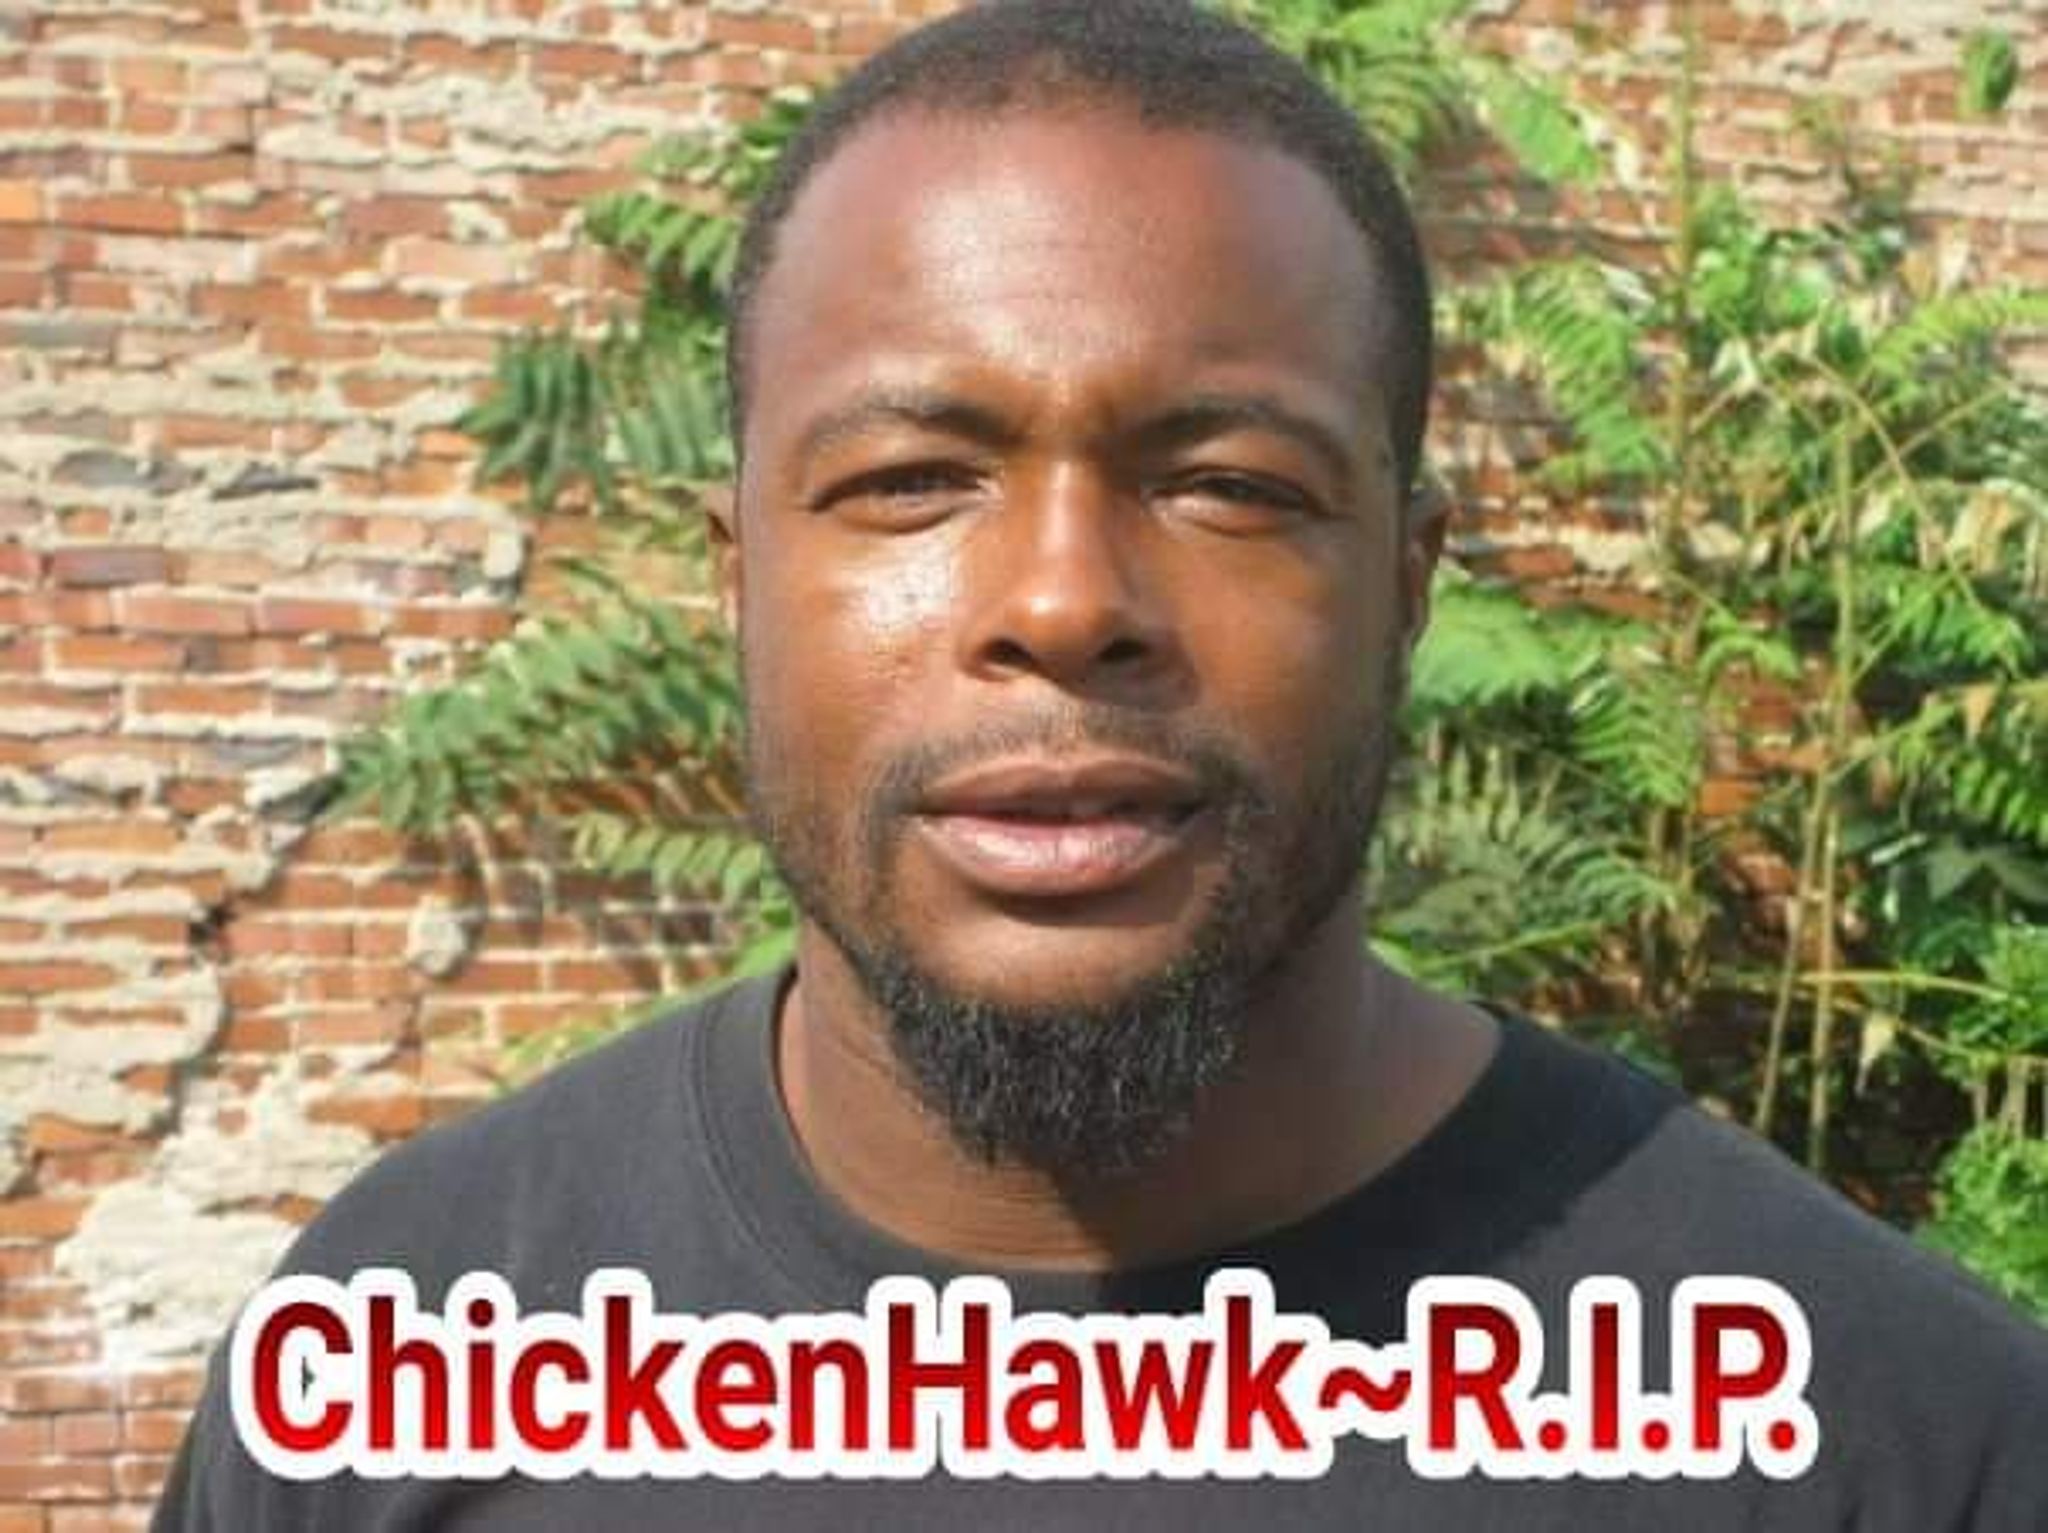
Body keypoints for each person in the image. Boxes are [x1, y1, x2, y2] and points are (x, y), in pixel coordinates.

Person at [157, 1, 2048, 1527]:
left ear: (1408, 585)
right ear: (736, 580)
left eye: (1228, 484)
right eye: (912, 480)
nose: (1063, 602)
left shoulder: (1891, 1441)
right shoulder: (401, 1365)